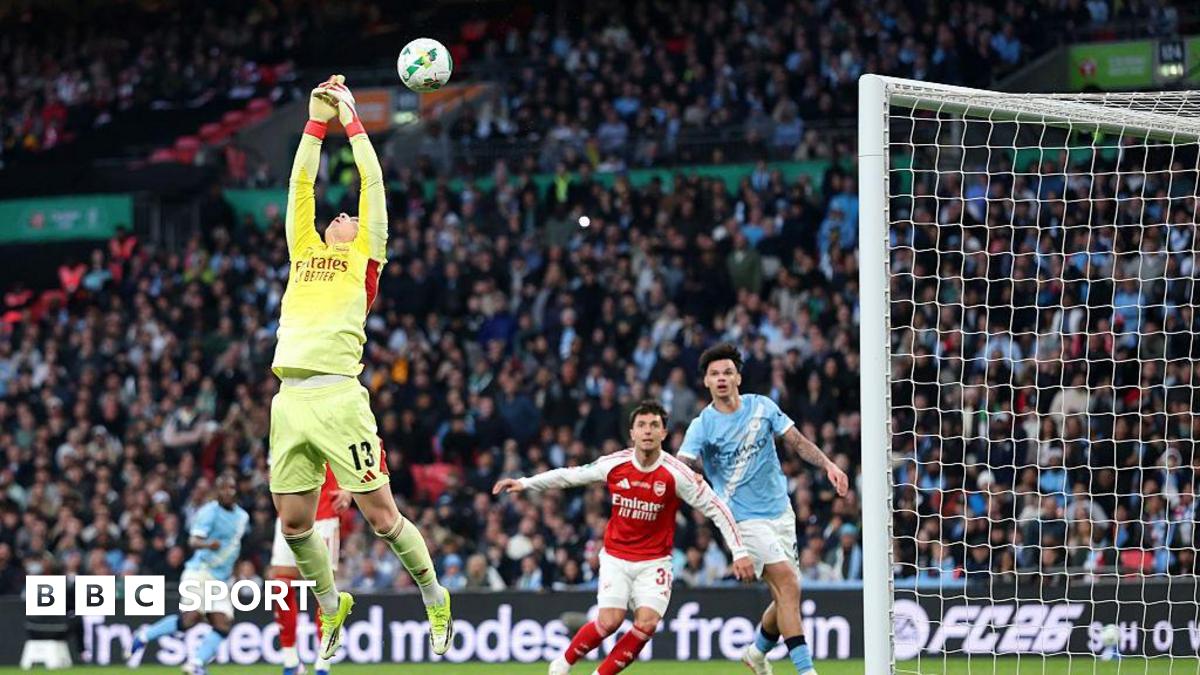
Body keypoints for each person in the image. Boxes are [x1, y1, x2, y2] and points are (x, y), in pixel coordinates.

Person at [268, 75, 451, 662]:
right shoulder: (305, 249)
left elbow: (372, 181)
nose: (342, 213)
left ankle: (433, 593)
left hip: (339, 396)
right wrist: (314, 121)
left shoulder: (366, 257)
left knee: (382, 517)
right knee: (294, 524)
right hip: (289, 399)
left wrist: (351, 118)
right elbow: (301, 182)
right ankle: (330, 605)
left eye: (348, 216)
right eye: (337, 213)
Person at [494, 400, 753, 675]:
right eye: (641, 425)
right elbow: (570, 476)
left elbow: (717, 508)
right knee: (609, 622)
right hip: (616, 556)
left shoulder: (678, 475)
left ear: (664, 433)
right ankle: (561, 664)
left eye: (655, 425)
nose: (648, 431)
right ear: (632, 433)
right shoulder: (615, 464)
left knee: (647, 624)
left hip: (655, 561)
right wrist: (525, 483)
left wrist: (739, 551)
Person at [678, 343, 849, 675]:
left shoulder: (762, 407)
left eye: (728, 372)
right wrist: (686, 481)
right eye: (714, 374)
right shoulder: (703, 425)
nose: (722, 378)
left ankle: (756, 653)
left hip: (780, 513)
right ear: (706, 383)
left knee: (787, 593)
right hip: (741, 519)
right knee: (788, 583)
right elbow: (683, 463)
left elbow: (797, 441)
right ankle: (806, 670)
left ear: (738, 377)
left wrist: (828, 464)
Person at [126, 474, 249, 674]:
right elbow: (193, 541)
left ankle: (195, 664)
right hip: (200, 571)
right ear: (217, 492)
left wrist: (234, 576)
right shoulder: (209, 512)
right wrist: (209, 544)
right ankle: (145, 635)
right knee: (191, 617)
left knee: (223, 623)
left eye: (231, 488)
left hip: (221, 578)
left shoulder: (243, 517)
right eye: (223, 488)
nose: (227, 492)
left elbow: (236, 547)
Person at [270, 465, 350, 675]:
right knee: (280, 587)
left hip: (324, 514)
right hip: (290, 512)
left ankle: (323, 666)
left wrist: (349, 489)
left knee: (325, 593)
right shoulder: (281, 432)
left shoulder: (338, 430)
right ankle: (291, 663)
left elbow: (367, 445)